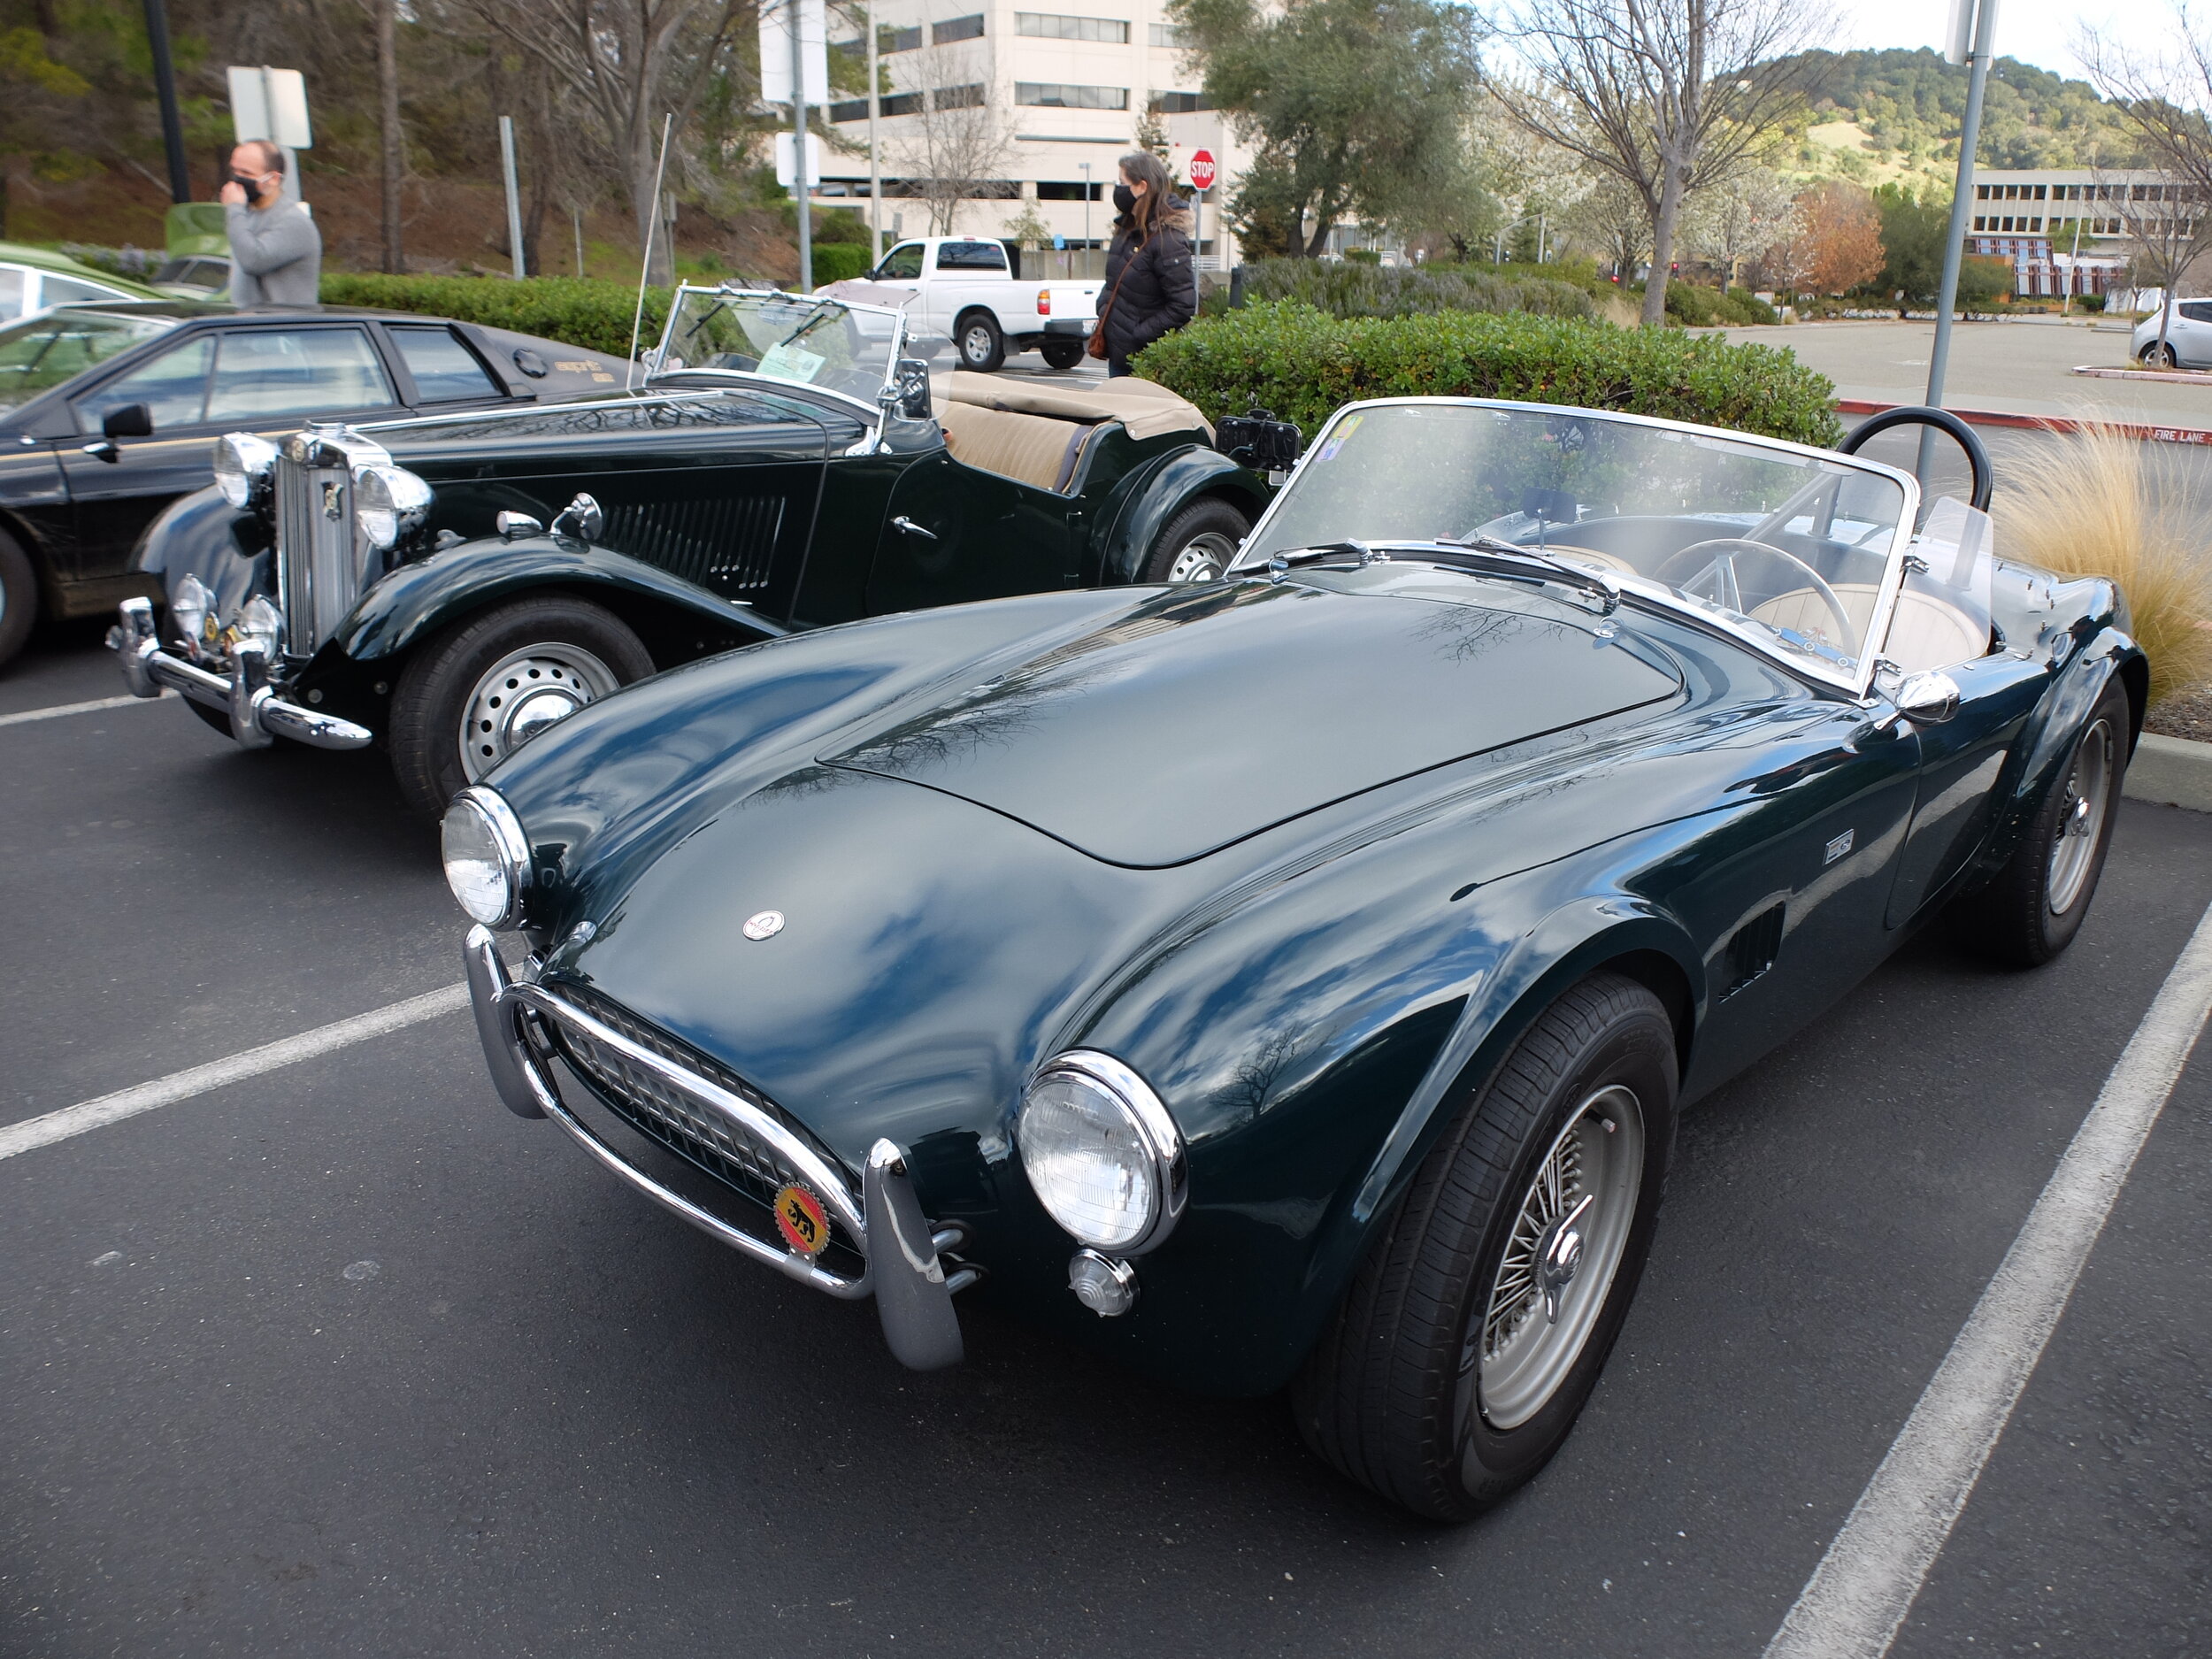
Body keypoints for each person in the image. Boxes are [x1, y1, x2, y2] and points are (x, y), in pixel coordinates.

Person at [1094, 150, 1195, 378]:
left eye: (1122, 183)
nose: (1117, 189)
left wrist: (1138, 335)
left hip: (1145, 361)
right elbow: (1113, 282)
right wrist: (1103, 309)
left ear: (1142, 186)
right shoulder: (1127, 229)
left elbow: (1183, 305)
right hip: (1118, 355)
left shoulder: (1168, 239)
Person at [220, 141, 321, 307]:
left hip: (282, 329)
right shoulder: (246, 215)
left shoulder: (293, 222)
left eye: (246, 173)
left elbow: (253, 261)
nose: (237, 179)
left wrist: (234, 208)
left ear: (273, 179)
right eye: (234, 170)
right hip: (246, 328)